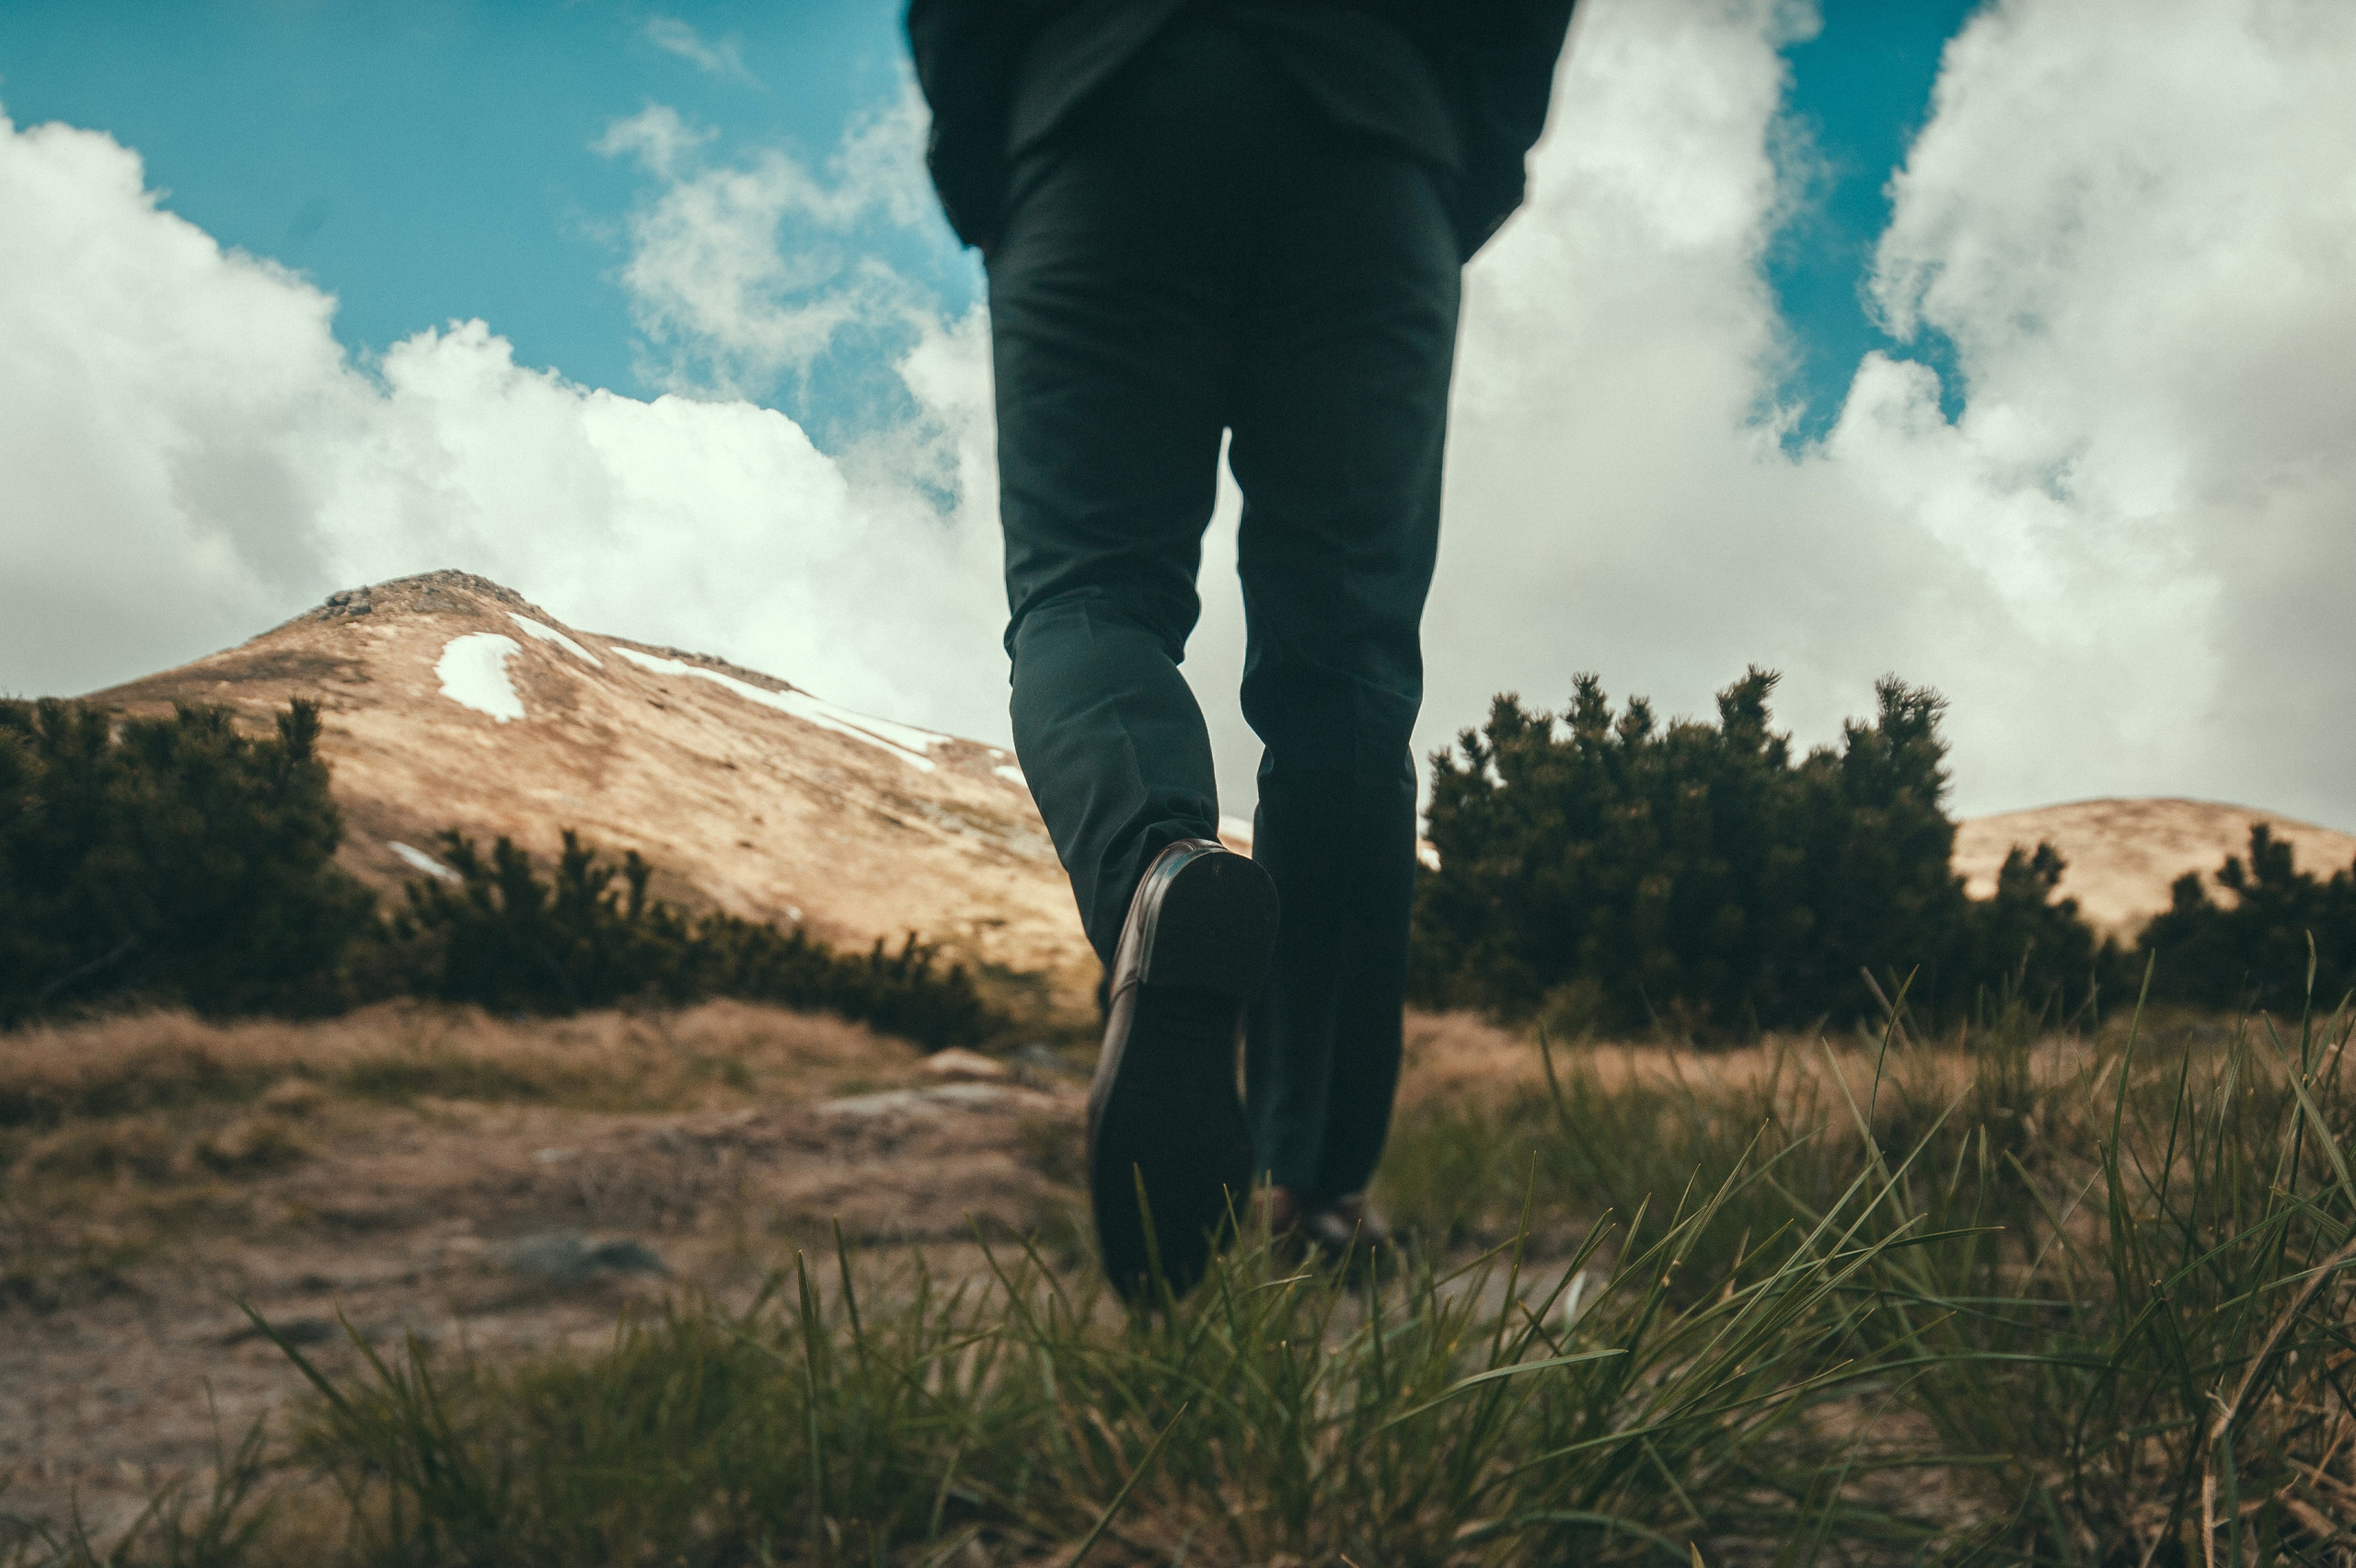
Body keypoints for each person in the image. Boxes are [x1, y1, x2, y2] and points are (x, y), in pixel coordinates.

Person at [907, 0, 1575, 1298]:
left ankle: (1160, 872)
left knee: (1089, 596)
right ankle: (1314, 1190)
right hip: (1376, 144)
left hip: (1096, 117)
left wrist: (998, 161)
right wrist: (1452, 165)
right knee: (1347, 682)